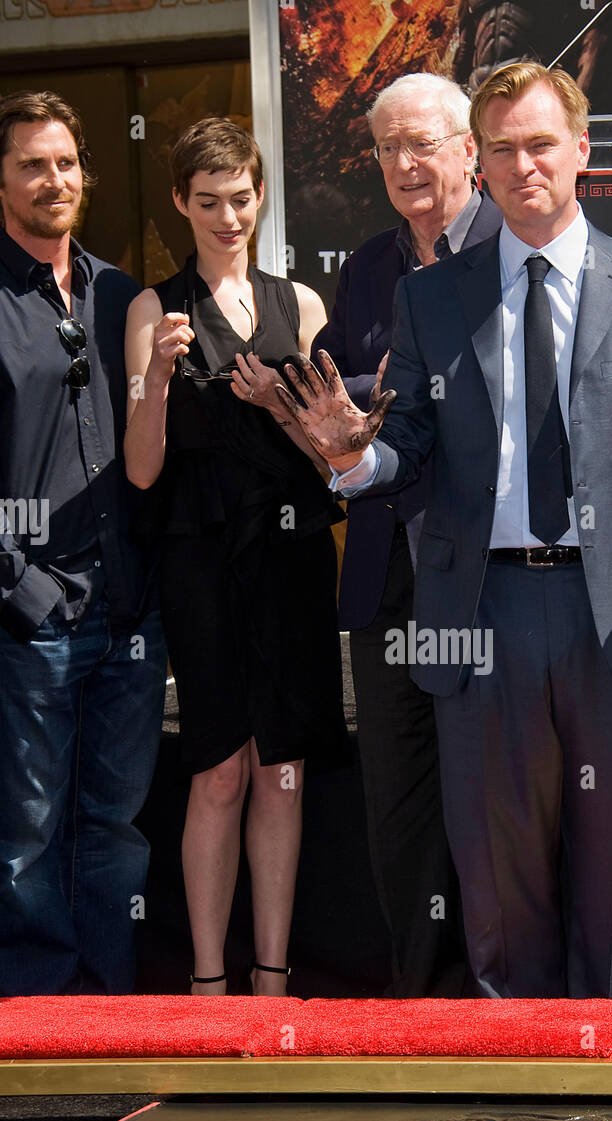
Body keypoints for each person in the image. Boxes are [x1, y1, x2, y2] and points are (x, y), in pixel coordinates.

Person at [273, 63, 612, 1000]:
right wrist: (351, 461)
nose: (524, 166)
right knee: (497, 880)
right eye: (504, 149)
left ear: (581, 154)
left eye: (541, 145)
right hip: (482, 613)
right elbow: (405, 444)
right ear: (478, 162)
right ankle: (514, 1101)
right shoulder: (433, 296)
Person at [124, 118, 347, 996]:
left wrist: (283, 409)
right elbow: (142, 467)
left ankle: (272, 981)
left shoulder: (305, 305)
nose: (228, 217)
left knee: (283, 769)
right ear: (181, 202)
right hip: (203, 562)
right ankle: (208, 987)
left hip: (292, 558)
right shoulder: (154, 309)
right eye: (208, 201)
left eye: (241, 199)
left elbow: (334, 454)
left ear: (261, 197)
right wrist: (158, 382)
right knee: (218, 767)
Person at [312, 73, 502, 997]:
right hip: (387, 576)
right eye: (388, 148)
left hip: (496, 578)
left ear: (470, 148)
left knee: (497, 799)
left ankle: (500, 1006)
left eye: (422, 142)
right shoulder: (367, 269)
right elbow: (351, 400)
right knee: (400, 805)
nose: (405, 163)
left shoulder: (521, 251)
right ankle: (419, 1003)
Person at [0, 91, 166, 996]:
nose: (53, 179)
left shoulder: (118, 296)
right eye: (31, 163)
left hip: (126, 610)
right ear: (1, 183)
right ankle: (34, 1038)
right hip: (26, 616)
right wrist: (20, 588)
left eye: (65, 162)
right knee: (27, 831)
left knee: (114, 828)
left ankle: (111, 1019)